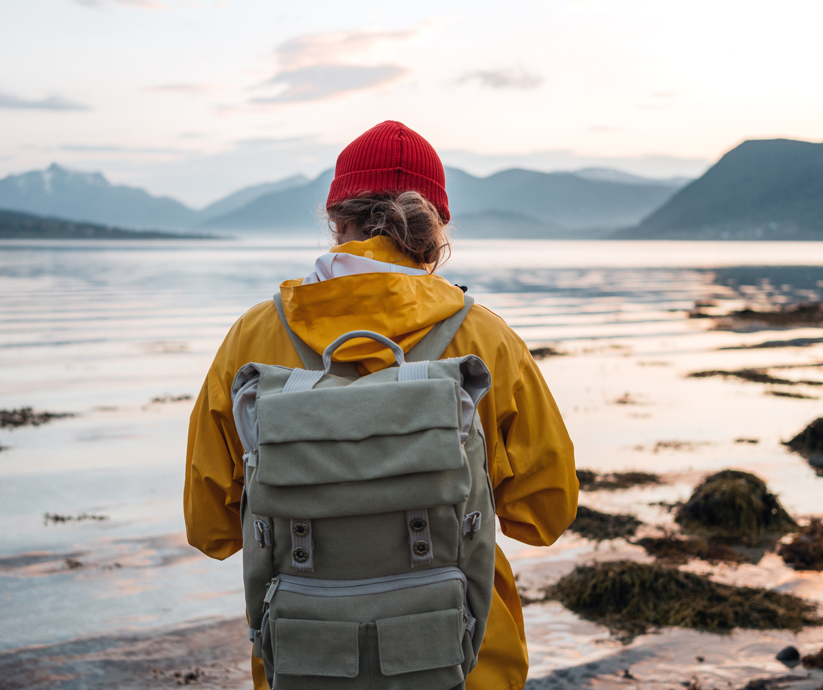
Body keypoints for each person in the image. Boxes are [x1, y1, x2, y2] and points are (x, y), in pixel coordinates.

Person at [183, 120, 578, 690]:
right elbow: (545, 515)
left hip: (307, 662)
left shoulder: (252, 338)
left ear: (335, 219)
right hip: (465, 662)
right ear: (434, 228)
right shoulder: (487, 343)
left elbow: (210, 529)